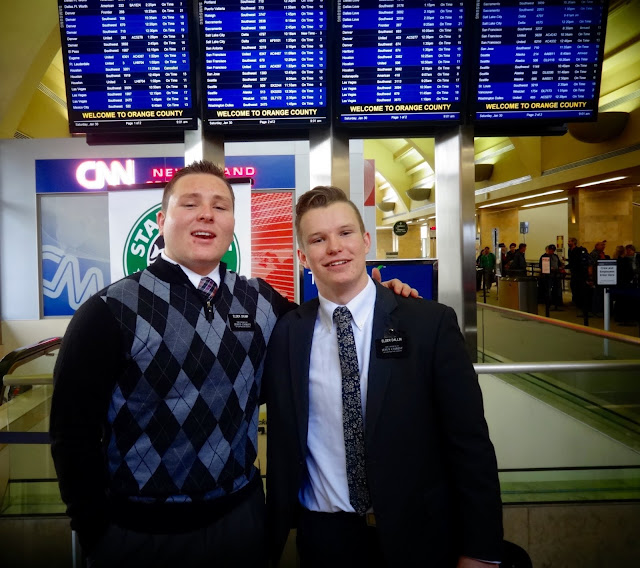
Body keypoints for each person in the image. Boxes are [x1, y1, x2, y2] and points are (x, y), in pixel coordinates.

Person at [49, 161, 416, 568]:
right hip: (140, 533)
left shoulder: (261, 301)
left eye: (220, 206)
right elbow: (71, 432)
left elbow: (329, 324)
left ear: (232, 224)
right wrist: (96, 532)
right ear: (161, 221)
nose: (207, 214)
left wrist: (381, 300)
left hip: (242, 521)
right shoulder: (109, 310)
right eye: (191, 204)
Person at [265, 186, 503, 568]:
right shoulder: (287, 333)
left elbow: (469, 443)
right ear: (303, 257)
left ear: (365, 241)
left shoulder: (428, 325)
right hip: (324, 539)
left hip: (420, 538)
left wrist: (482, 550)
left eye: (344, 233)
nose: (334, 248)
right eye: (318, 239)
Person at [566, 237, 594, 317]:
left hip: (580, 273)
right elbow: (572, 261)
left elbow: (577, 262)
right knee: (574, 287)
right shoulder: (570, 250)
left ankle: (582, 307)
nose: (568, 242)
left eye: (570, 241)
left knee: (580, 289)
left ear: (574, 242)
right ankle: (578, 304)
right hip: (574, 273)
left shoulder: (578, 251)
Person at [538, 244, 563, 310]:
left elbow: (559, 264)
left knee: (557, 290)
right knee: (548, 290)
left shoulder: (555, 256)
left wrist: (560, 267)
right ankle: (548, 303)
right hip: (548, 276)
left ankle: (556, 303)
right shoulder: (544, 256)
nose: (552, 251)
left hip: (556, 275)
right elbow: (541, 265)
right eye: (551, 250)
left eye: (553, 250)